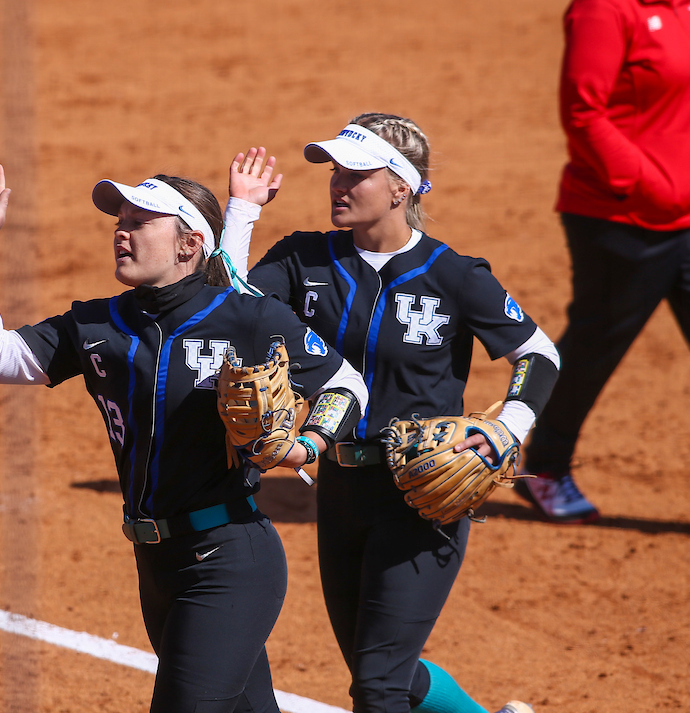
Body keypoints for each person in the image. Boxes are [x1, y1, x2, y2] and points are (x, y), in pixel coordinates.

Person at [0, 159, 368, 712]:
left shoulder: (246, 316)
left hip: (230, 560)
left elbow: (346, 384)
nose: (121, 231)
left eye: (140, 221)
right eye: (119, 220)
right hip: (156, 564)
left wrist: (308, 445)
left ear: (188, 245)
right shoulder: (96, 324)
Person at [221, 115, 558, 713]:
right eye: (335, 172)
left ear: (401, 187)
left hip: (423, 495)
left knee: (377, 687)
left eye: (357, 174)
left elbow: (537, 353)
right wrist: (241, 213)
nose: (338, 184)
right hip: (342, 488)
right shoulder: (304, 259)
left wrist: (509, 426)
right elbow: (227, 307)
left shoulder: (452, 274)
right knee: (380, 669)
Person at [517, 0, 690, 523]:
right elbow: (584, 116)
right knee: (593, 348)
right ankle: (545, 469)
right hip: (624, 224)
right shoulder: (604, 5)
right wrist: (652, 185)